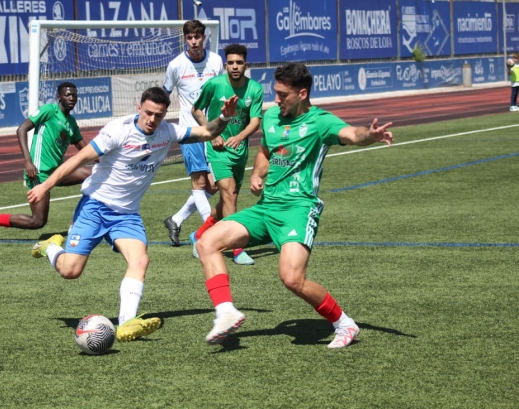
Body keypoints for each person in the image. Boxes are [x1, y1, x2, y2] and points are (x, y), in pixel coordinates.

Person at [196, 63, 394, 348]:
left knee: (291, 278)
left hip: (298, 209)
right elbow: (266, 149)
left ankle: (344, 324)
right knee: (207, 242)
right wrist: (255, 173)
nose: (276, 100)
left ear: (302, 94)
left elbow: (352, 134)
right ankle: (226, 312)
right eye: (275, 92)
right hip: (266, 208)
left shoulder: (320, 121)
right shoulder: (272, 116)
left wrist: (369, 136)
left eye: (283, 94)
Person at [27, 87, 238, 342]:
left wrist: (225, 118)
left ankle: (126, 322)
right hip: (95, 207)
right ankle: (51, 246)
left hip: (126, 214)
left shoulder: (167, 131)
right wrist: (45, 185)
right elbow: (79, 159)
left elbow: (207, 132)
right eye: (148, 113)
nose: (152, 120)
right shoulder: (118, 130)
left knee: (140, 261)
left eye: (158, 115)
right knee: (70, 271)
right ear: (139, 107)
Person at [0, 82, 91, 241]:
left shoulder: (71, 122)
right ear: (59, 97)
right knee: (37, 221)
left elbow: (87, 152)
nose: (72, 98)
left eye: (74, 95)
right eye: (67, 95)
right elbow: (21, 129)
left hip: (57, 171)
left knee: (93, 174)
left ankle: (77, 221)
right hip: (38, 172)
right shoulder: (49, 111)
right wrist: (28, 162)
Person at [189, 43, 263, 266]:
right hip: (217, 149)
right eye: (230, 62)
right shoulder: (214, 85)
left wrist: (240, 137)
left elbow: (255, 120)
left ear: (245, 65)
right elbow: (196, 109)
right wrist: (212, 133)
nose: (234, 66)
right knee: (229, 193)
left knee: (227, 200)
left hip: (239, 151)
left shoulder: (255, 89)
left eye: (239, 62)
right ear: (225, 65)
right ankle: (237, 248)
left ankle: (200, 235)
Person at [162, 20, 224, 246]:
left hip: (214, 129)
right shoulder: (176, 65)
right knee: (198, 183)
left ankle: (175, 220)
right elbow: (164, 97)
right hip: (190, 131)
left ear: (204, 37)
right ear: (185, 39)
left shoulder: (216, 60)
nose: (194, 41)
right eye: (190, 37)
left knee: (214, 186)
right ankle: (211, 231)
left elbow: (222, 91)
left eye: (198, 37)